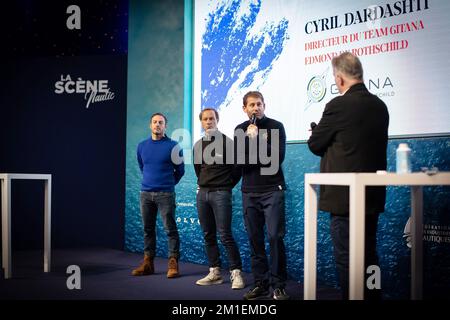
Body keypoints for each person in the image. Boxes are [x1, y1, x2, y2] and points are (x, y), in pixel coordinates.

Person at [307, 52, 389, 299]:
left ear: (340, 78)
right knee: (370, 256)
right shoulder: (380, 105)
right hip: (371, 196)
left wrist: (315, 133)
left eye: (334, 77)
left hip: (344, 200)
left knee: (346, 259)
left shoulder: (337, 105)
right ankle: (372, 296)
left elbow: (315, 144)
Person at [234, 91, 289, 300]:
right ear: (245, 108)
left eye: (259, 104)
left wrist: (256, 141)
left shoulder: (276, 126)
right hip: (249, 192)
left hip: (272, 190)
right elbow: (239, 162)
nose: (255, 108)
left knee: (275, 237)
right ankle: (260, 283)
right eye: (251, 105)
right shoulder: (240, 130)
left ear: (264, 105)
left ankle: (278, 285)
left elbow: (277, 158)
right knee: (254, 239)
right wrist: (260, 155)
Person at [193, 108, 245, 290]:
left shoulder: (228, 143)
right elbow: (198, 169)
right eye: (205, 119)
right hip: (203, 194)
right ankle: (215, 272)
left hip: (221, 193)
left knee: (225, 234)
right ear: (201, 122)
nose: (209, 121)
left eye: (212, 118)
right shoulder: (198, 145)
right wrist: (204, 186)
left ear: (217, 120)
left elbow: (237, 170)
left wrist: (226, 186)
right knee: (208, 234)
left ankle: (236, 272)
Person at [132, 112, 185, 278]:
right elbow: (143, 167)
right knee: (148, 230)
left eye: (160, 122)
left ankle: (173, 263)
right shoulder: (141, 146)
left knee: (170, 229)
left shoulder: (174, 146)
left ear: (165, 126)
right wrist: (151, 183)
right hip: (145, 194)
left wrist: (167, 184)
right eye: (154, 122)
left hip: (166, 194)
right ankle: (148, 263)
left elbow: (180, 171)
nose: (157, 125)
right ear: (150, 125)